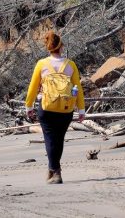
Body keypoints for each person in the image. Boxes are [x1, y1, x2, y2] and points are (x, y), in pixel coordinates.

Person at [25, 31, 85, 184]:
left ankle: (55, 172)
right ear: (61, 46)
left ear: (48, 46)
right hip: (66, 109)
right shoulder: (71, 65)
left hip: (47, 108)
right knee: (58, 140)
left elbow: (33, 88)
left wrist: (29, 107)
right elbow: (77, 88)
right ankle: (53, 170)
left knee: (50, 140)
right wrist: (81, 109)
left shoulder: (42, 64)